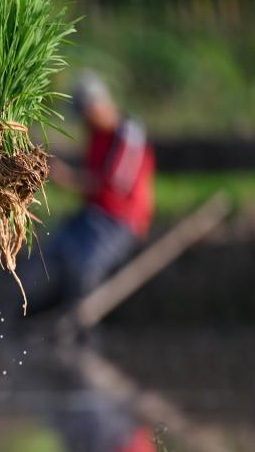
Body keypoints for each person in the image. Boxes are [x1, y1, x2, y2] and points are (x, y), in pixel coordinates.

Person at [23, 71, 156, 316]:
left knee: (85, 265)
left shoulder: (128, 135)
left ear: (98, 106)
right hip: (92, 215)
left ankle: (80, 326)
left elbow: (116, 183)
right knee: (50, 251)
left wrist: (70, 179)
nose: (85, 122)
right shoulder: (96, 135)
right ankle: (37, 316)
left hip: (120, 221)